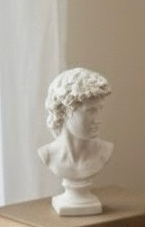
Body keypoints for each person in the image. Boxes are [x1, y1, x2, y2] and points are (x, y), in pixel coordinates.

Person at [38, 68, 113, 215]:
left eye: (100, 109)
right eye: (90, 111)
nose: (98, 119)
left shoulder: (104, 152)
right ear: (64, 111)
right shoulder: (48, 155)